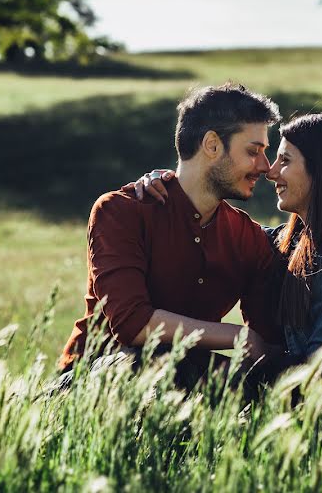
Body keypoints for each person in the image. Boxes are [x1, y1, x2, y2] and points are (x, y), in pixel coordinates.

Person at [136, 113, 322, 378]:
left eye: (285, 161)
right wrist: (177, 187)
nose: (270, 171)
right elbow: (223, 232)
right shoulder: (293, 240)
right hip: (302, 388)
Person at [56, 83, 285, 383]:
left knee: (262, 380)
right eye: (253, 152)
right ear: (212, 145)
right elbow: (132, 324)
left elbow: (266, 341)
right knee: (156, 360)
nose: (265, 167)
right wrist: (238, 335)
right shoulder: (121, 211)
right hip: (94, 377)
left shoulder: (247, 237)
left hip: (185, 375)